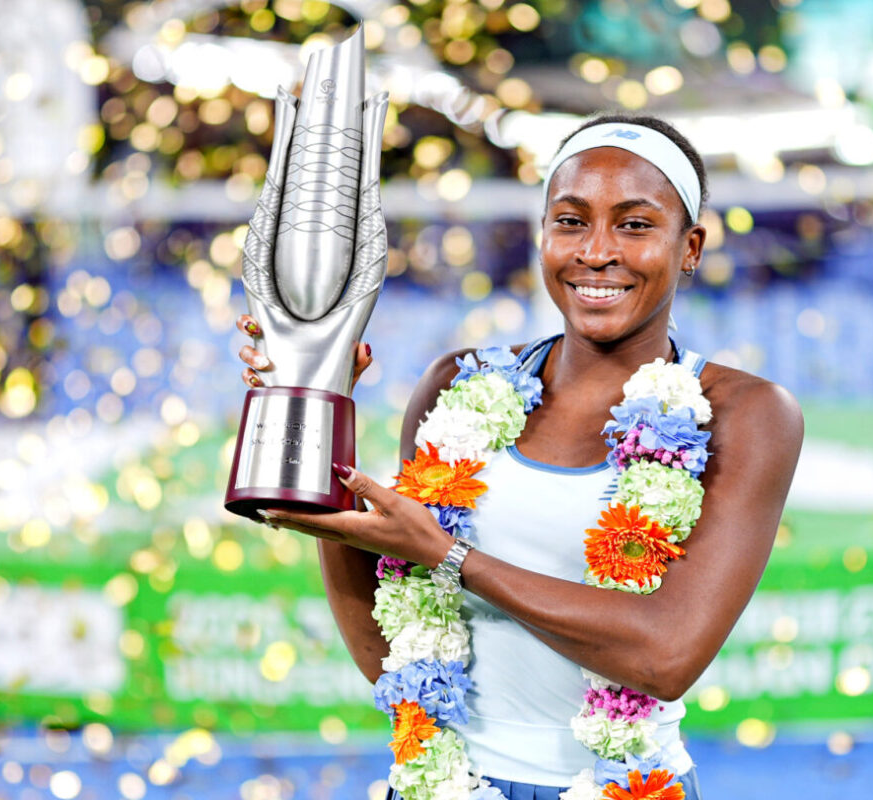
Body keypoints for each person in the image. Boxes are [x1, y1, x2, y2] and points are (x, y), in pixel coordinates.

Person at [236, 114, 804, 799]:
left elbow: (665, 656)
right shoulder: (457, 387)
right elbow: (390, 655)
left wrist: (449, 556)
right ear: (542, 235)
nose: (596, 251)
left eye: (634, 224)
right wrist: (319, 409)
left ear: (690, 247)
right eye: (570, 221)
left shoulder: (747, 413)